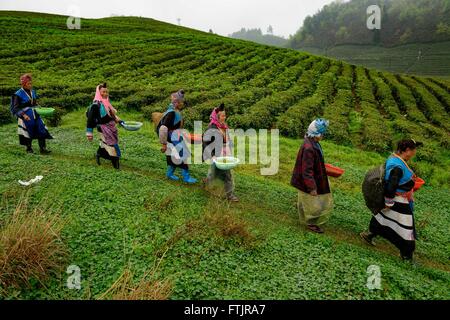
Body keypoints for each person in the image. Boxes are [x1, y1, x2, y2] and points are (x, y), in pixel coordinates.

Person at [360, 139, 423, 262]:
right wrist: (389, 202)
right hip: (397, 199)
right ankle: (407, 254)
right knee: (405, 227)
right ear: (407, 150)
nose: (415, 152)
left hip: (394, 198)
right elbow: (391, 185)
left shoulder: (395, 159)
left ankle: (369, 234)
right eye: (414, 150)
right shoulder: (397, 167)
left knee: (382, 217)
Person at [291, 118, 333, 234]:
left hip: (315, 177)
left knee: (305, 200)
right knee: (315, 203)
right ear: (316, 134)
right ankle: (311, 223)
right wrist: (312, 188)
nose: (323, 136)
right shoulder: (309, 148)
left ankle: (306, 213)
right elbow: (307, 171)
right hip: (309, 180)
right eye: (322, 133)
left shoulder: (313, 142)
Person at [158, 90, 197, 184]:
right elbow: (163, 128)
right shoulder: (171, 113)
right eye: (181, 102)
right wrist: (164, 144)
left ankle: (169, 174)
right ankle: (186, 177)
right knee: (183, 155)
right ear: (177, 102)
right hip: (173, 138)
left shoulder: (175, 111)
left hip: (175, 137)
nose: (182, 104)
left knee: (174, 156)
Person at [203, 103, 239, 202]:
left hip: (224, 153)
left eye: (225, 115)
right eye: (223, 116)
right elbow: (206, 143)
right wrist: (212, 155)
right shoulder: (212, 128)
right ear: (217, 117)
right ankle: (230, 195)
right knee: (226, 174)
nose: (225, 117)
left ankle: (207, 182)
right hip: (216, 155)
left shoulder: (223, 126)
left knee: (214, 172)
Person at [10, 73, 52, 154]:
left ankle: (43, 149)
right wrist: (24, 115)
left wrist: (38, 106)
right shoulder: (17, 94)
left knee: (41, 128)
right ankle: (29, 149)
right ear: (24, 84)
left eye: (31, 83)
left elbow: (33, 103)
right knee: (28, 131)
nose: (30, 85)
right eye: (28, 84)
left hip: (35, 114)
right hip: (25, 116)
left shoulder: (33, 92)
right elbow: (15, 108)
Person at [86, 83, 123, 169]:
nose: (105, 94)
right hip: (103, 127)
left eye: (107, 92)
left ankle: (100, 153)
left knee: (106, 143)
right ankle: (115, 164)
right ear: (99, 92)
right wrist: (89, 133)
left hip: (111, 126)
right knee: (111, 144)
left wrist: (117, 119)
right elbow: (90, 120)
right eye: (103, 92)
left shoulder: (107, 103)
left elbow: (111, 114)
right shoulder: (95, 105)